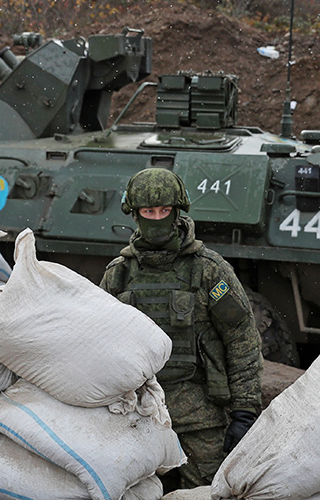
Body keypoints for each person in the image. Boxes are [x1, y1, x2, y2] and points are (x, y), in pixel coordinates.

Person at [100, 167, 263, 489]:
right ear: (135, 215)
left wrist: (245, 410)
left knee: (211, 492)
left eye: (164, 211)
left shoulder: (208, 270)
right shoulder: (118, 275)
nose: (157, 219)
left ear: (177, 212)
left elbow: (242, 340)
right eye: (149, 211)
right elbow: (97, 347)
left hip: (200, 420)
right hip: (137, 417)